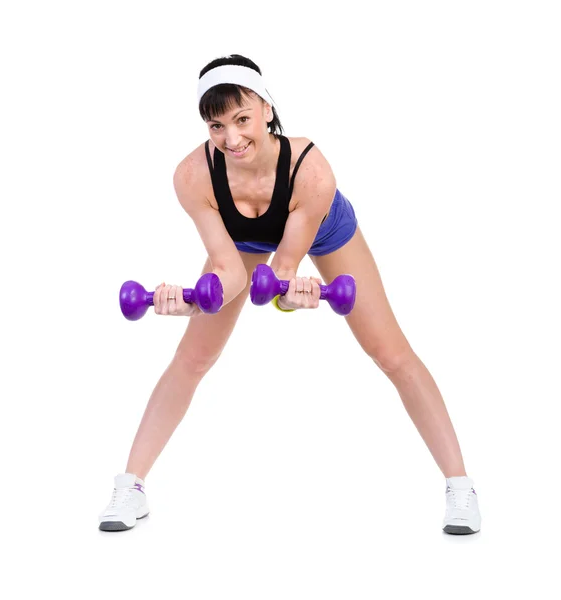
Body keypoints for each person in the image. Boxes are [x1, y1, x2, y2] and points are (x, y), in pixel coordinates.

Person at [99, 54, 481, 535]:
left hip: (322, 233)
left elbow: (277, 279)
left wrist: (291, 293)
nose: (232, 138)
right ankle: (130, 487)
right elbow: (229, 273)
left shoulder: (311, 170)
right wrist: (192, 301)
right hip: (241, 241)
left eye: (242, 119)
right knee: (192, 357)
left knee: (391, 353)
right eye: (216, 126)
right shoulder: (193, 176)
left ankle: (461, 488)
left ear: (266, 108)